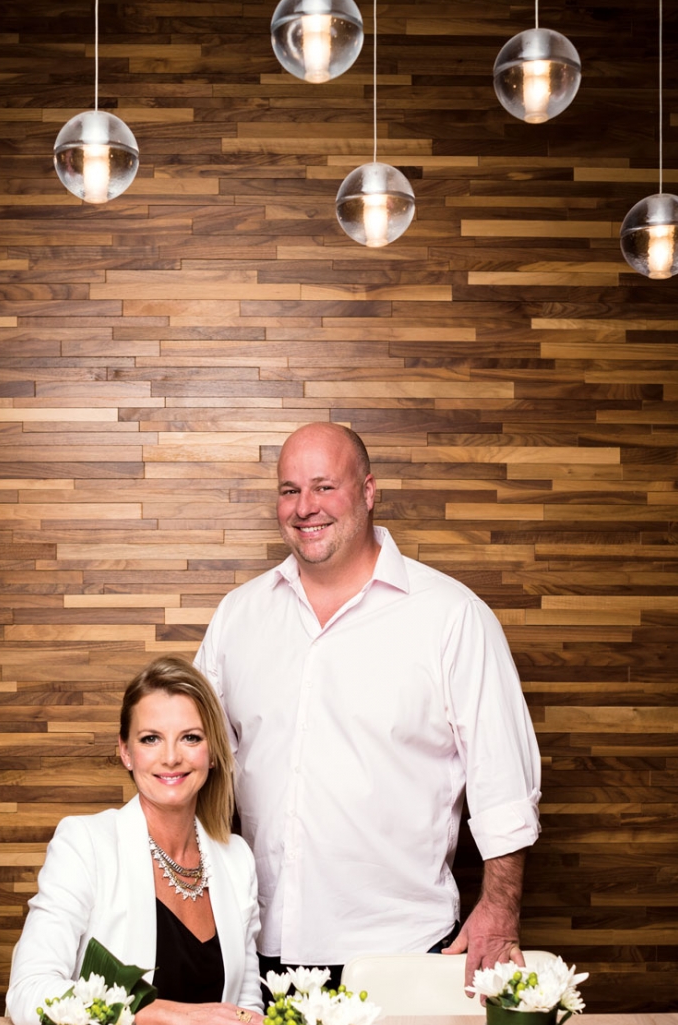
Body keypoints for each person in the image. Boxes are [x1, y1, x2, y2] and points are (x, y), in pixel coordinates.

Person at [195, 422, 541, 994]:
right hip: (258, 952)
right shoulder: (239, 616)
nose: (305, 507)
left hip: (404, 952)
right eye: (289, 490)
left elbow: (503, 782)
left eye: (324, 486)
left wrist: (501, 912)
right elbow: (198, 767)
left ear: (369, 491)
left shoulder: (452, 617)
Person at [6, 657, 267, 1025]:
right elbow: (28, 994)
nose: (171, 757)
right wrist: (167, 1015)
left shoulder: (237, 859)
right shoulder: (84, 844)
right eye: (151, 739)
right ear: (126, 752)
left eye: (190, 737)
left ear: (212, 752)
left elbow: (245, 1010)